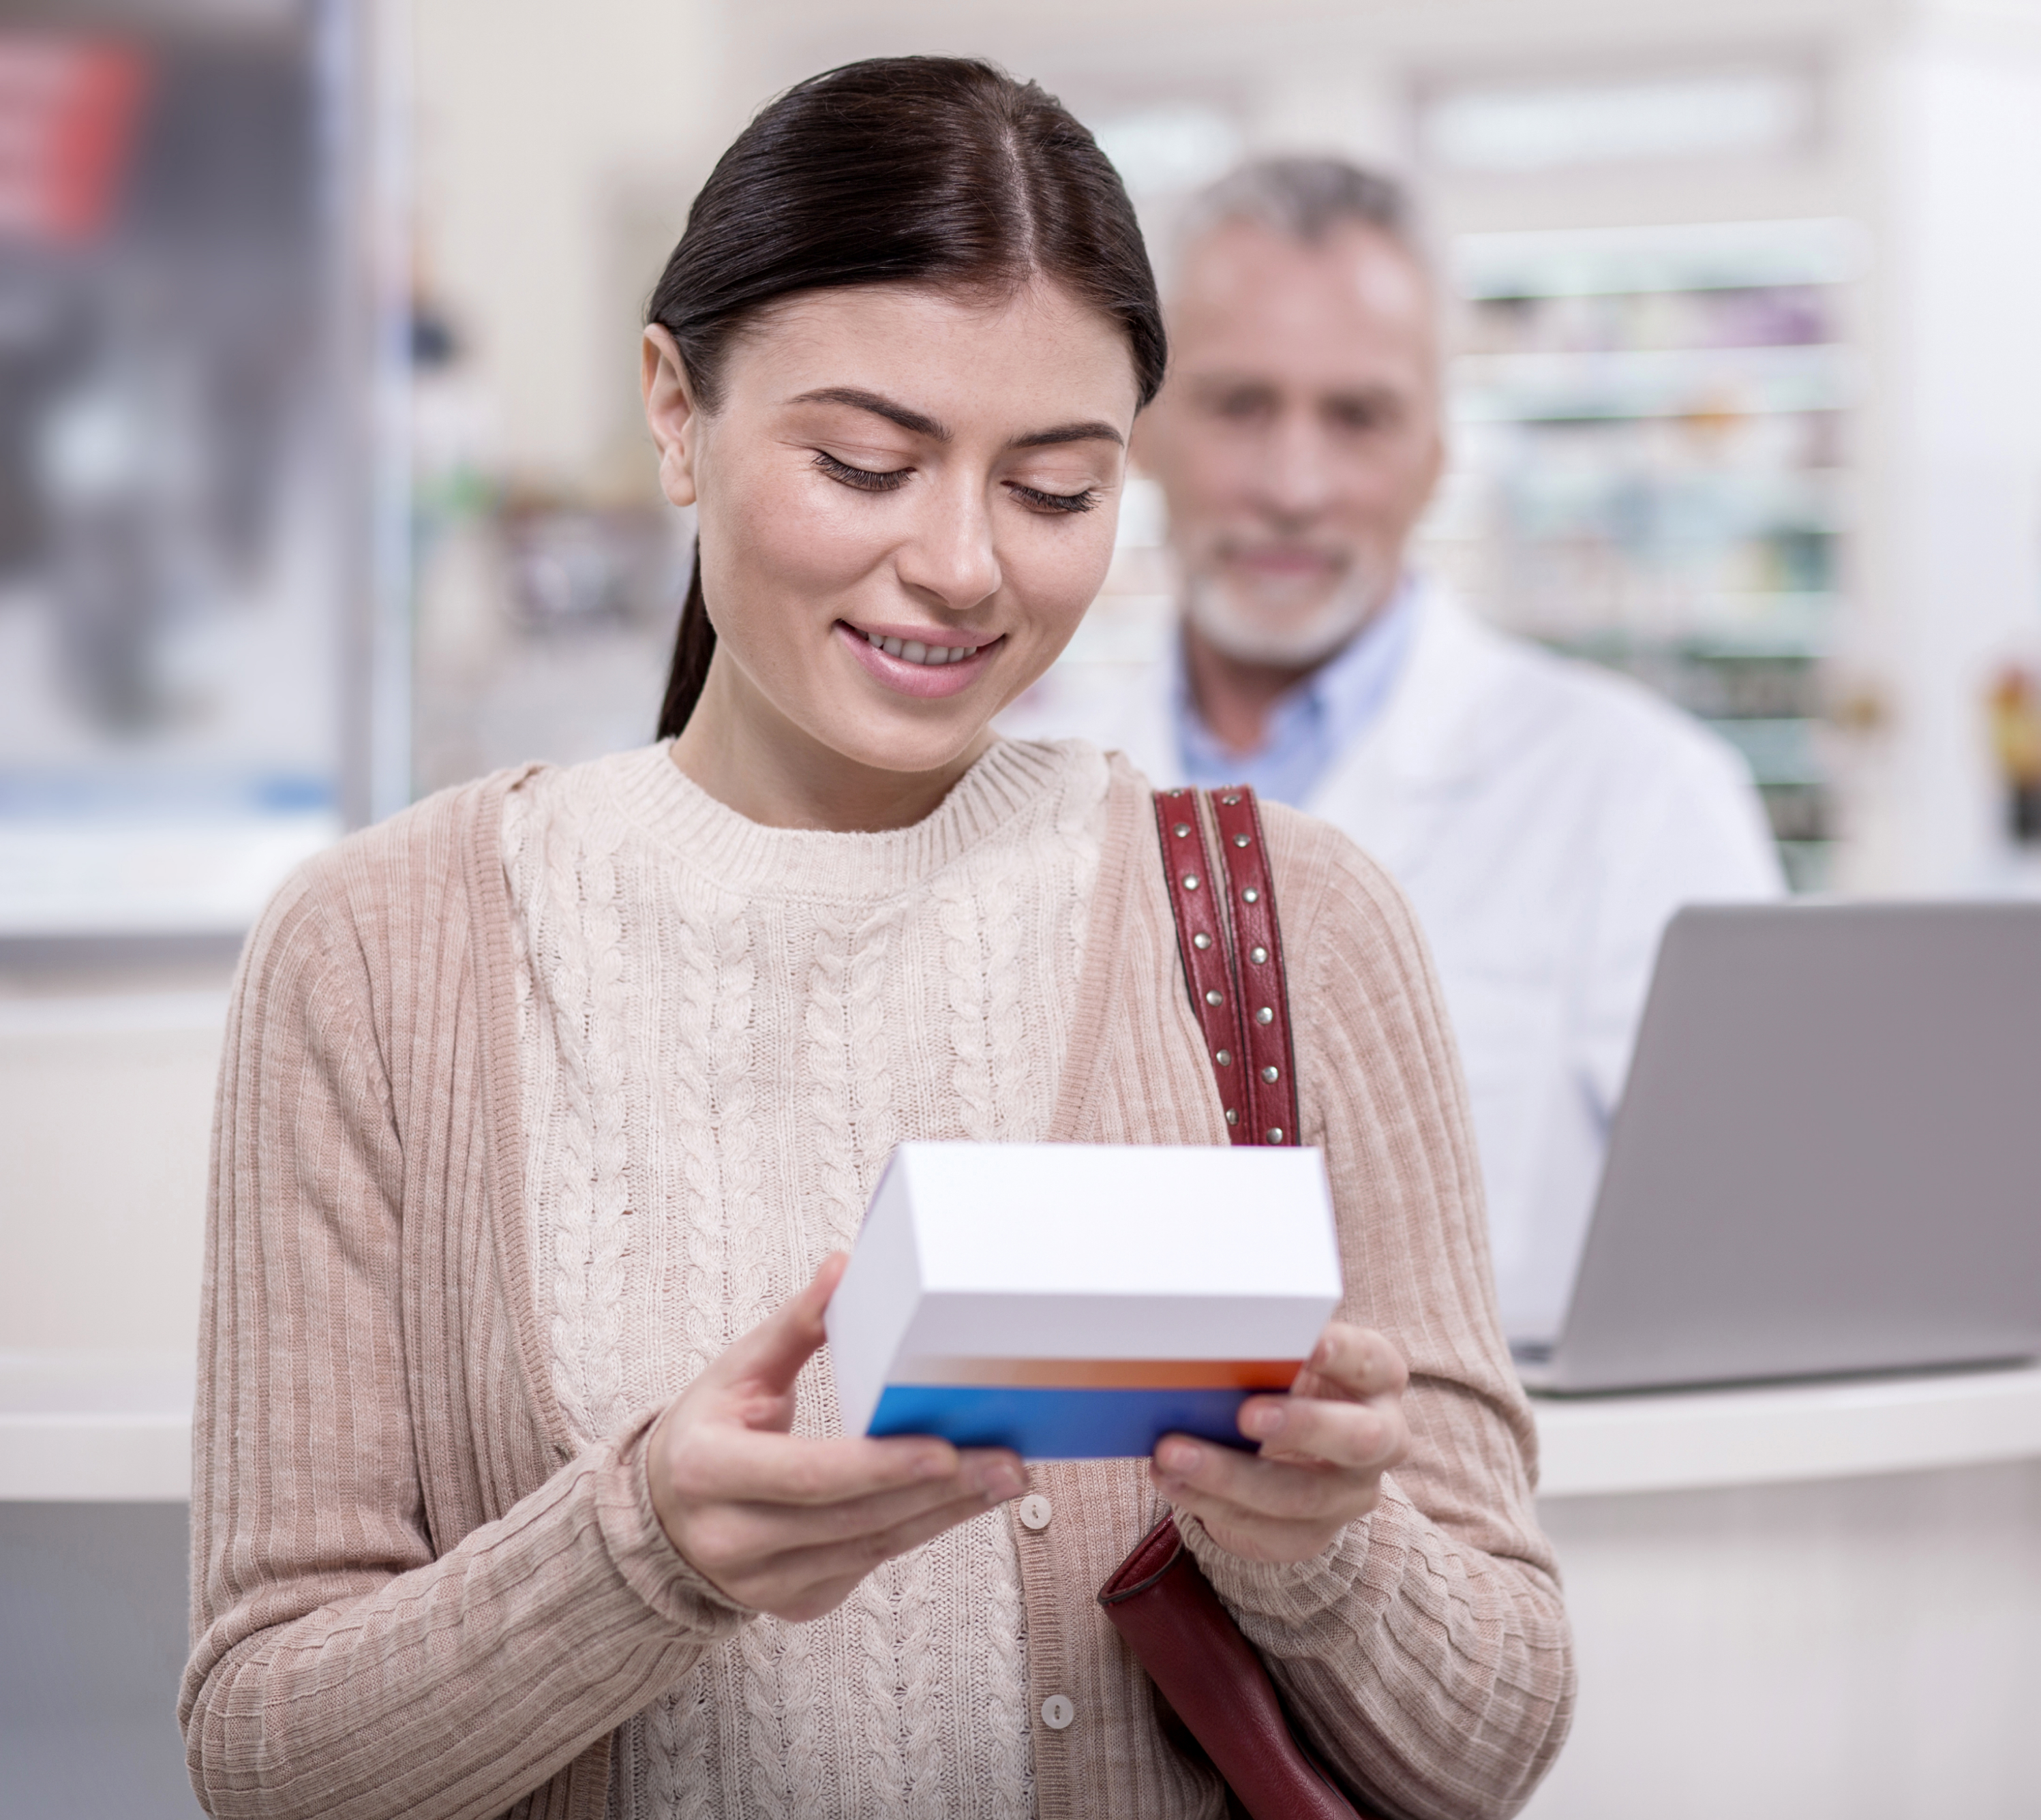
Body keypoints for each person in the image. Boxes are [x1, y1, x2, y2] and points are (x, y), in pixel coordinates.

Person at [181, 61, 1569, 1820]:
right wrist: (646, 1550)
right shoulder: (382, 953)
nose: (964, 563)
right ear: (674, 411)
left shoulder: (1295, 921)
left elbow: (1497, 1732)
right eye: (864, 462)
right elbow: (262, 1751)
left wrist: (1321, 1551)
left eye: (1057, 489)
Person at [1006, 159, 1785, 1344]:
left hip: (1522, 1502)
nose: (1293, 486)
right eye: (1239, 406)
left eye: (1358, 417)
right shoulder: (1008, 775)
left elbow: (1758, 1257)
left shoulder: (1641, 792)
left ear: (1437, 449)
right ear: (1139, 432)